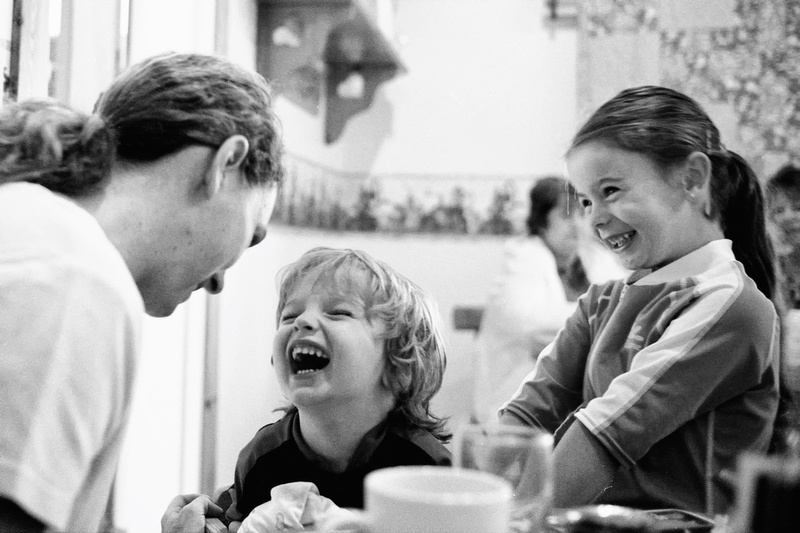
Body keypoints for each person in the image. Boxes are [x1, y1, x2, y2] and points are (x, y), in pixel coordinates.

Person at [0, 51, 284, 533]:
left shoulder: (42, 232)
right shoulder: (78, 280)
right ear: (225, 163)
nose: (220, 282)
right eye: (251, 234)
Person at [499, 85, 780, 517]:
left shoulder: (732, 305)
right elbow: (529, 414)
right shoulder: (603, 301)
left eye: (611, 190)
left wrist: (508, 519)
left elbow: (606, 434)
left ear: (692, 179)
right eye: (586, 200)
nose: (594, 218)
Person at [218, 247, 451, 531]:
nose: (302, 321)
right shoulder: (261, 459)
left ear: (399, 367)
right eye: (289, 316)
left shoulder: (426, 469)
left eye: (338, 312)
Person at [473, 176, 627, 422]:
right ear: (542, 222)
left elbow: (626, 307)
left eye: (582, 214)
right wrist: (599, 315)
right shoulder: (522, 258)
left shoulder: (598, 259)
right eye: (566, 216)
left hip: (582, 401)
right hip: (518, 402)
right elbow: (529, 323)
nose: (577, 225)